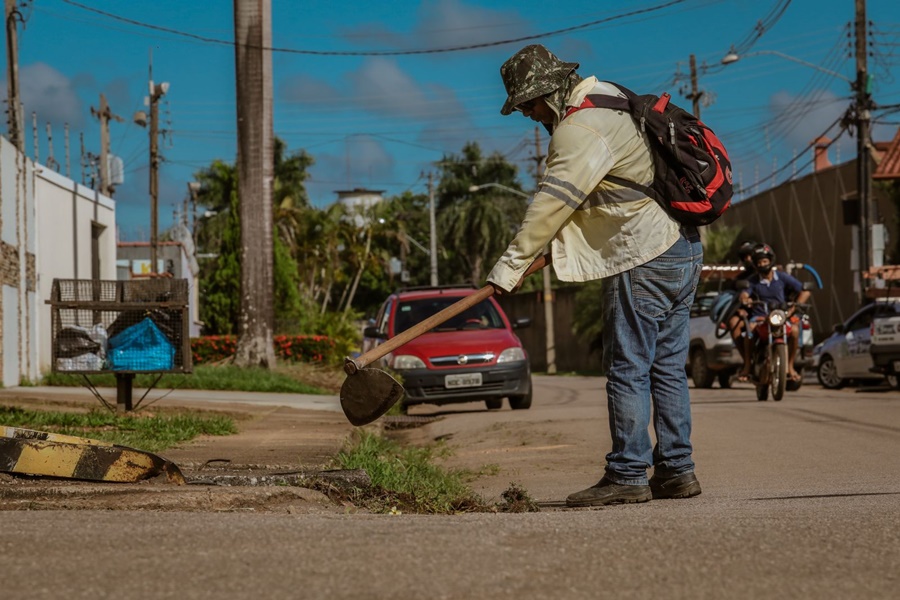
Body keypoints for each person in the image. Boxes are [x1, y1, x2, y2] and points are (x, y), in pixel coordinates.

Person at [485, 44, 703, 507]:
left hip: (643, 252)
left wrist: (509, 267)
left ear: (548, 92)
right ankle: (676, 470)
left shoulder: (580, 127)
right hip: (682, 247)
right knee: (667, 367)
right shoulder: (612, 98)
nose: (527, 115)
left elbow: (552, 204)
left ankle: (627, 473)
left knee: (627, 367)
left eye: (528, 105)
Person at [735, 244, 811, 382]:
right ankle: (747, 365)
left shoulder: (782, 277)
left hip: (781, 316)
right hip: (760, 317)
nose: (762, 265)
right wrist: (746, 299)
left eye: (764, 261)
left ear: (770, 261)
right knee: (750, 331)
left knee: (794, 330)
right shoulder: (753, 280)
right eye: (759, 262)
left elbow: (805, 291)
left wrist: (794, 308)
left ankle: (790, 366)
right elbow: (744, 294)